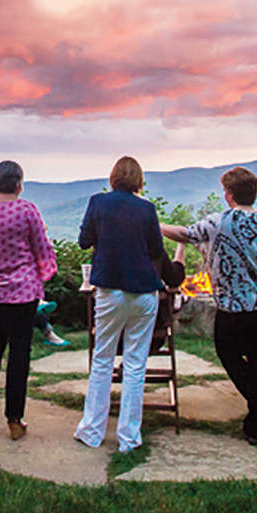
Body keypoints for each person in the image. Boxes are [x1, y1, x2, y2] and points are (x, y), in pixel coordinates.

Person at [161, 166, 257, 444]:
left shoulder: (218, 223)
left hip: (234, 308)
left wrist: (151, 223)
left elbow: (183, 234)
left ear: (229, 194)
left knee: (227, 352)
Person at [74, 156, 166, 453]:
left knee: (103, 359)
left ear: (113, 177)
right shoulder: (147, 209)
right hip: (144, 291)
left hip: (110, 289)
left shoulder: (98, 203)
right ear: (139, 180)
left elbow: (84, 242)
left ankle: (91, 431)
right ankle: (129, 438)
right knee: (136, 365)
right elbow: (155, 250)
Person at [0, 160, 58, 440]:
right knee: (20, 351)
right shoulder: (27, 209)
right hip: (24, 291)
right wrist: (46, 273)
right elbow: (42, 249)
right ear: (19, 183)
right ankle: (15, 421)